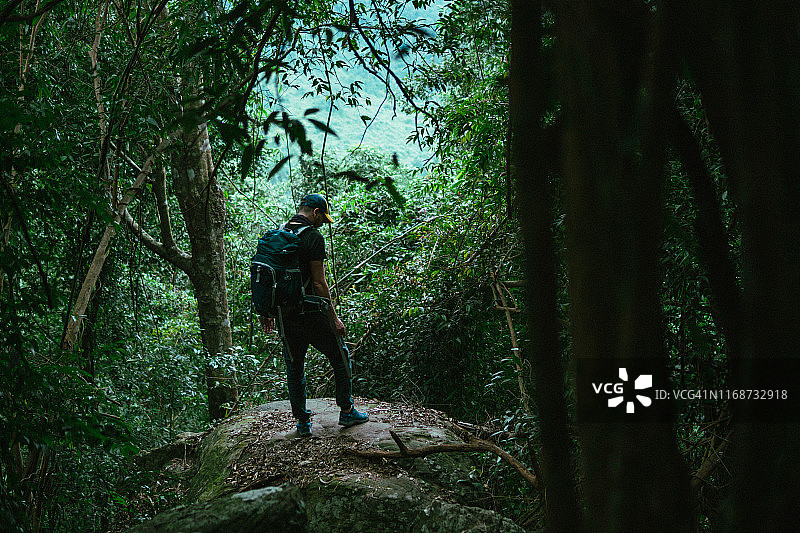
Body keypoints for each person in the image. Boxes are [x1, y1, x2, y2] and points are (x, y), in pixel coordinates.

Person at [260, 193, 368, 437]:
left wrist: (267, 310)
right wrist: (334, 318)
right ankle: (347, 410)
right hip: (311, 312)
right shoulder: (312, 237)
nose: (323, 224)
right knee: (340, 356)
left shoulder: (278, 233)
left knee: (295, 367)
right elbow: (319, 283)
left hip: (285, 316)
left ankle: (302, 421)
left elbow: (268, 277)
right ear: (316, 213)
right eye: (323, 218)